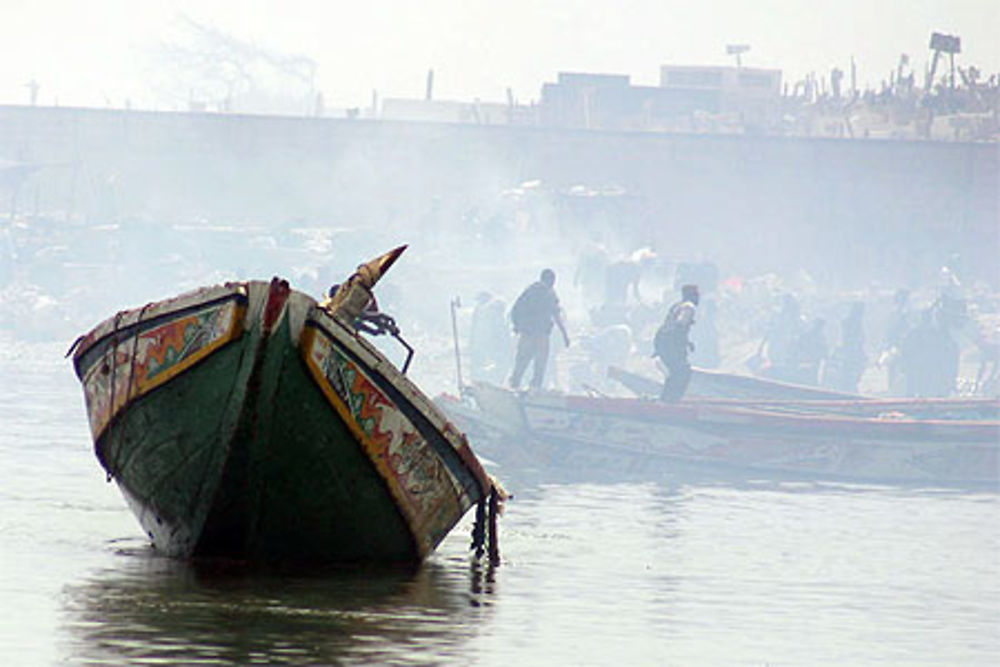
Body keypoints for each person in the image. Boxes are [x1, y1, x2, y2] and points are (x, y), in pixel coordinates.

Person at [508, 269, 570, 390]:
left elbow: (515, 309)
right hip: (541, 335)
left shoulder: (529, 291)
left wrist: (517, 326)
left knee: (521, 362)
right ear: (551, 281)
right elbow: (556, 315)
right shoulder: (549, 293)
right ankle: (534, 389)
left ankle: (514, 386)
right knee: (540, 365)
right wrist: (565, 335)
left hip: (527, 334)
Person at [654, 284, 699, 401]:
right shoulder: (689, 307)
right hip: (671, 343)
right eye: (696, 294)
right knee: (682, 371)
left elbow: (668, 325)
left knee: (675, 372)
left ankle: (666, 398)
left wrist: (687, 342)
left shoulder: (676, 306)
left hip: (662, 340)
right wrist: (682, 343)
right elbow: (680, 324)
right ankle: (671, 400)